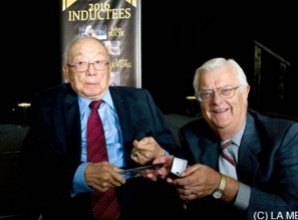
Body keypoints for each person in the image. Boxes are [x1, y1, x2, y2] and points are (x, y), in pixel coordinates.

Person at [19, 36, 183, 219]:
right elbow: (32, 159)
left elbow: (180, 162)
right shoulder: (48, 103)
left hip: (140, 195)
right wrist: (81, 173)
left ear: (109, 68)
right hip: (76, 199)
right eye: (81, 63)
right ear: (67, 71)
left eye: (98, 62)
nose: (91, 71)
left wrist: (161, 153)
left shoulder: (140, 100)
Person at [152, 57, 298, 220]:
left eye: (226, 90)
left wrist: (221, 185)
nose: (217, 101)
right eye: (206, 93)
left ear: (245, 92)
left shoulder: (283, 136)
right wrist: (172, 164)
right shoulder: (191, 134)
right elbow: (192, 170)